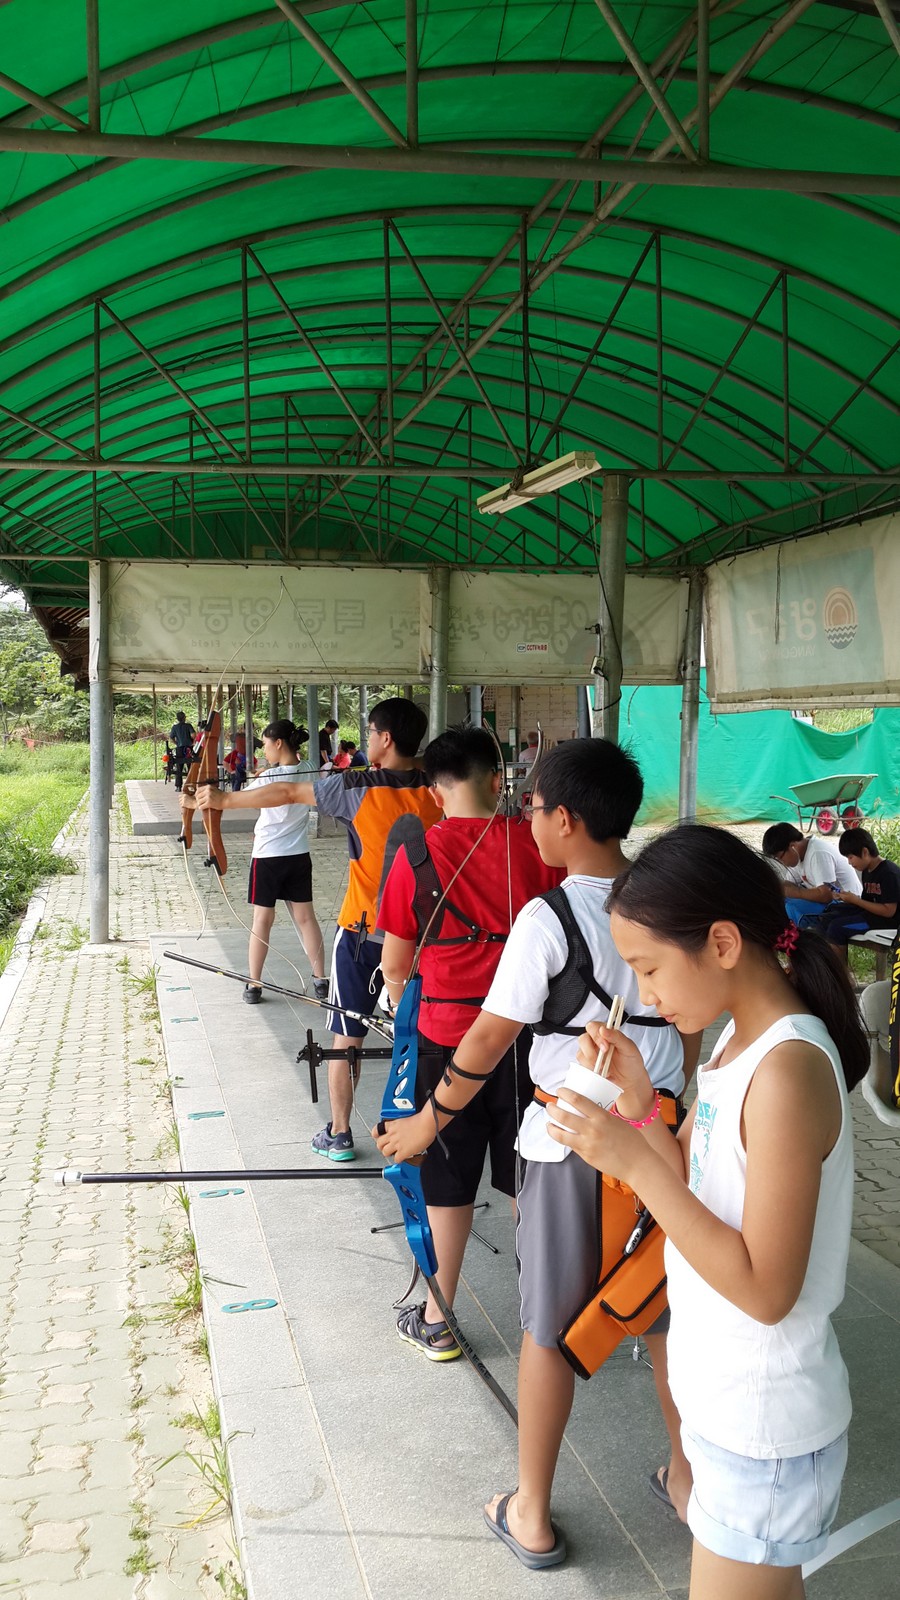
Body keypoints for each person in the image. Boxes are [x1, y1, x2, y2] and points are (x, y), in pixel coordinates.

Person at [376, 739, 701, 1564]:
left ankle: (531, 1513)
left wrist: (427, 1124)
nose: (528, 820)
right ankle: (688, 1481)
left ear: (567, 819)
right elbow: (690, 1030)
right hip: (660, 1135)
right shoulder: (669, 901)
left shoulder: (550, 917)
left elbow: (490, 1037)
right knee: (661, 1312)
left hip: (573, 1144)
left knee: (548, 1326)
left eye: (536, 809)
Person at [548, 825, 867, 1598]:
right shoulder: (734, 1046)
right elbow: (690, 1184)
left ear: (722, 943)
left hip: (764, 1428)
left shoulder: (786, 1069)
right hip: (731, 1412)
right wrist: (637, 1106)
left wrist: (632, 1162)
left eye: (649, 968)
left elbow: (766, 1289)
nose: (643, 995)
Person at [376, 725, 562, 1360]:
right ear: (498, 779)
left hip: (445, 1043)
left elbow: (395, 964)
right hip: (528, 1042)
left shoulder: (416, 855)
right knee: (527, 1176)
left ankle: (438, 1318)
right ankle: (548, 1314)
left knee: (447, 1183)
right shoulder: (540, 844)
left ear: (435, 791)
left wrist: (403, 1003)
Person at [187, 698, 442, 1159]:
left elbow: (287, 793)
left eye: (371, 732)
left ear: (385, 738)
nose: (367, 739)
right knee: (422, 1036)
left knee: (347, 1039)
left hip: (363, 936)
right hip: (421, 940)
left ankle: (340, 1133)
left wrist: (224, 800)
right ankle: (421, 1132)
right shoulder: (439, 789)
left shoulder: (356, 788)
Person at [241, 721, 327, 1006]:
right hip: (298, 855)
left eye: (265, 744)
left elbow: (243, 799)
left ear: (278, 743)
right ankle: (321, 980)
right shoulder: (309, 768)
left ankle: (254, 984)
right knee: (306, 918)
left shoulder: (269, 777)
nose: (263, 751)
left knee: (262, 920)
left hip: (267, 856)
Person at [761, 822, 860, 926]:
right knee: (778, 901)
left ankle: (797, 935)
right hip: (830, 902)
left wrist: (796, 892)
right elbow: (787, 884)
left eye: (781, 857)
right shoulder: (798, 855)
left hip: (847, 905)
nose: (782, 863)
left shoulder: (818, 853)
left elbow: (827, 895)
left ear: (792, 846)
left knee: (792, 907)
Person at [815, 826, 900, 945]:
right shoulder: (867, 870)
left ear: (865, 852)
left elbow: (889, 911)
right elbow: (867, 902)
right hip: (871, 915)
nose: (849, 862)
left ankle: (834, 958)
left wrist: (856, 900)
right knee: (828, 916)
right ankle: (822, 954)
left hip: (887, 922)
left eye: (850, 857)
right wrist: (848, 898)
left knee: (836, 927)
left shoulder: (888, 873)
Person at [169, 710, 196, 792]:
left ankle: (178, 786)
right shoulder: (188, 726)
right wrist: (193, 742)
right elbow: (193, 735)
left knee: (179, 767)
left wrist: (177, 743)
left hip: (179, 749)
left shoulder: (175, 727)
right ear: (184, 718)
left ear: (177, 719)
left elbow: (171, 738)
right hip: (188, 748)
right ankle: (191, 785)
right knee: (190, 767)